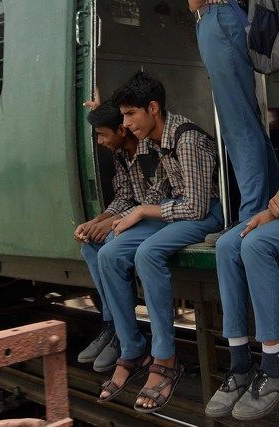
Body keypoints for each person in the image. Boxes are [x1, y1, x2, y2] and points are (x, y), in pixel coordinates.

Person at [152, 0, 279, 247]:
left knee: (238, 125)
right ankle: (272, 204)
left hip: (221, 22)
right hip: (222, 19)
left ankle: (250, 215)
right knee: (245, 119)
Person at [95, 71, 223, 412]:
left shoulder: (186, 139)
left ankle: (165, 358)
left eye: (130, 114)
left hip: (206, 213)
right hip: (174, 210)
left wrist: (142, 211)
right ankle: (132, 349)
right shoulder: (153, 141)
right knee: (108, 254)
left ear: (152, 109)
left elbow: (196, 206)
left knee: (148, 253)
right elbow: (158, 192)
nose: (125, 124)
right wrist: (127, 215)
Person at [205, 146, 279, 420]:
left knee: (254, 245)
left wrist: (278, 211)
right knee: (226, 246)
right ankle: (240, 363)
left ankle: (275, 365)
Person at [74, 98, 158, 373]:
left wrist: (111, 224)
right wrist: (96, 221)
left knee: (110, 245)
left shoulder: (151, 150)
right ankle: (113, 326)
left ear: (121, 131)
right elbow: (124, 196)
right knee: (89, 246)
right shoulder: (121, 155)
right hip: (137, 217)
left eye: (102, 135)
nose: (99, 142)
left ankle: (128, 339)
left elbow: (153, 200)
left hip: (158, 215)